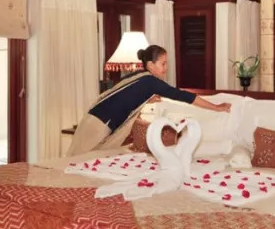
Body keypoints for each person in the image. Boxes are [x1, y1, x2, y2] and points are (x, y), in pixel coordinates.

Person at [67, 44, 231, 156]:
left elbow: (129, 95)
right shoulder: (151, 82)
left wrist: (148, 100)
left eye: (166, 64)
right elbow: (184, 96)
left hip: (96, 117)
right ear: (151, 65)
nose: (166, 68)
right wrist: (216, 107)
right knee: (78, 160)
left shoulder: (140, 77)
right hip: (99, 123)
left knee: (79, 160)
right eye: (163, 64)